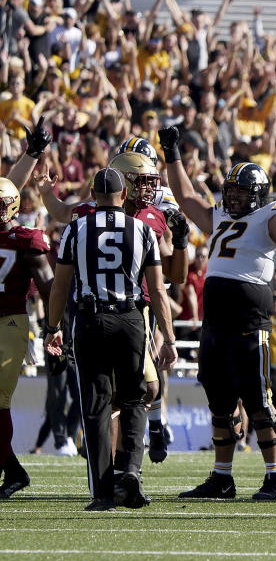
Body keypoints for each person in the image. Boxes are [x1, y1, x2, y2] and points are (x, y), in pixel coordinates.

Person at [165, 125, 276, 501]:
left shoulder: (272, 219)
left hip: (248, 318)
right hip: (215, 320)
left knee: (259, 399)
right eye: (232, 191)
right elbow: (185, 195)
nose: (235, 198)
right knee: (220, 400)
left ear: (258, 195)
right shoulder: (221, 217)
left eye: (242, 192)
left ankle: (275, 478)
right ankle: (222, 477)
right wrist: (172, 152)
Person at [43, 168, 177, 511]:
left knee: (97, 405)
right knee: (134, 397)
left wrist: (52, 326)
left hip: (89, 317)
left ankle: (103, 492)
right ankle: (130, 469)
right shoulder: (143, 230)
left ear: (92, 193)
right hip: (130, 317)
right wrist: (169, 338)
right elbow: (159, 290)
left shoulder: (76, 228)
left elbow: (59, 286)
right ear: (123, 194)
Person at [0, 178, 53, 498]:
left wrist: (54, 328)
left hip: (9, 324)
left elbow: (48, 288)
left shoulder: (25, 239)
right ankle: (15, 472)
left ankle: (10, 471)